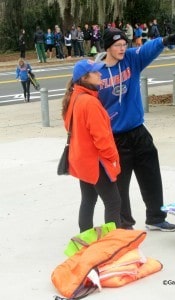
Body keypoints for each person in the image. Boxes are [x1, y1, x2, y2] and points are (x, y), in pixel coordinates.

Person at [95, 27, 175, 232]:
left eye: (124, 44)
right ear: (107, 47)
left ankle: (156, 218)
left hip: (138, 131)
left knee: (151, 175)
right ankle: (125, 224)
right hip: (114, 137)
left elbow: (148, 49)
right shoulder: (96, 73)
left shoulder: (132, 59)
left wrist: (163, 40)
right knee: (120, 185)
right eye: (117, 45)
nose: (123, 48)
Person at [61, 59, 121, 232]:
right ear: (85, 78)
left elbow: (69, 126)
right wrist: (113, 158)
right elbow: (101, 138)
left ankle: (84, 238)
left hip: (82, 160)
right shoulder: (90, 102)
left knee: (88, 199)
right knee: (113, 202)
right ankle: (113, 244)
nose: (100, 74)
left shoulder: (74, 97)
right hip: (96, 162)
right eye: (95, 72)